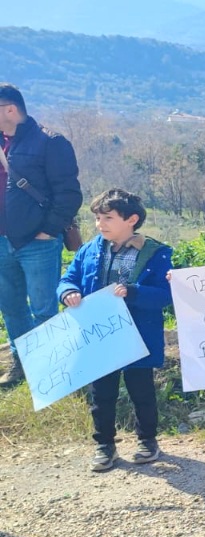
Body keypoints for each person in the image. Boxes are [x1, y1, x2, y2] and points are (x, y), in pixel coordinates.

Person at [57, 189, 172, 472]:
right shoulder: (89, 249)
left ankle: (147, 441)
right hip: (100, 337)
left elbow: (166, 295)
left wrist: (133, 292)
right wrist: (69, 292)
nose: (100, 224)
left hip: (139, 337)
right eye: (97, 218)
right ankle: (104, 444)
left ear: (131, 219)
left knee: (141, 392)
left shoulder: (157, 253)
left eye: (107, 217)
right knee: (101, 394)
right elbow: (68, 279)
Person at [0, 83, 83, 386]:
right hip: (1, 241)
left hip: (38, 242)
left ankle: (50, 373)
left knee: (44, 308)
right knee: (10, 307)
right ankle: (21, 366)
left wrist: (48, 232)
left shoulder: (51, 142)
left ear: (10, 109)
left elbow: (69, 194)